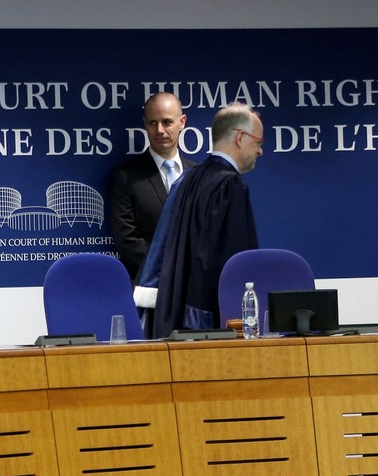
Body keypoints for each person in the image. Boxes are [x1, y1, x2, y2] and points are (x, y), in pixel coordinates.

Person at [135, 103, 263, 337]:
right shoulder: (230, 186)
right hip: (214, 325)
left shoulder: (186, 180)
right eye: (258, 142)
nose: (259, 151)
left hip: (175, 315)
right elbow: (236, 267)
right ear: (240, 138)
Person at [109, 92, 198, 283]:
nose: (159, 130)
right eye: (152, 123)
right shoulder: (126, 177)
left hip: (195, 287)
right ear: (145, 124)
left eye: (167, 122)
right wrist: (169, 269)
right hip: (150, 286)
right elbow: (127, 240)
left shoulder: (199, 176)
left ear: (182, 122)